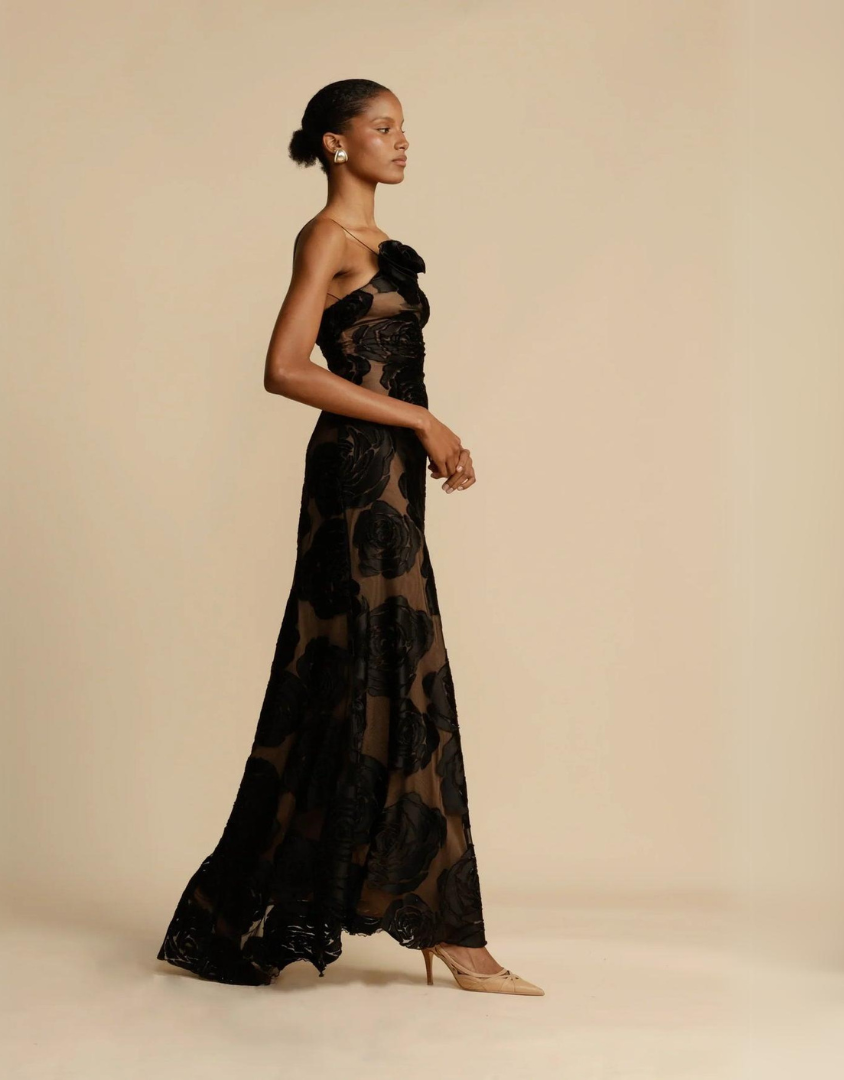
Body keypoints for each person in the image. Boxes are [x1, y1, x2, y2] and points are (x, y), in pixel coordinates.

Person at [155, 79, 543, 996]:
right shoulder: (326, 237)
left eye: (404, 129)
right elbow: (284, 368)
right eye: (382, 127)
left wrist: (422, 430)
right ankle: (443, 932)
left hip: (390, 475)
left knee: (388, 669)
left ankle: (426, 915)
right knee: (370, 670)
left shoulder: (374, 241)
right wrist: (424, 420)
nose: (401, 142)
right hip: (356, 478)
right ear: (336, 143)